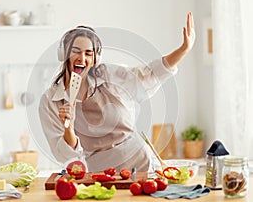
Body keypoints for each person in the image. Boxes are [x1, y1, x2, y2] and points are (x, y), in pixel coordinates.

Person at [39, 12, 195, 172]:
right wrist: (69, 129)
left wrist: (183, 50)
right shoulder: (50, 101)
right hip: (97, 175)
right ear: (63, 54)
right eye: (76, 51)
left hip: (139, 165)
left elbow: (150, 74)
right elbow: (64, 156)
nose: (82, 58)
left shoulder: (110, 75)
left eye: (88, 53)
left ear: (95, 59)